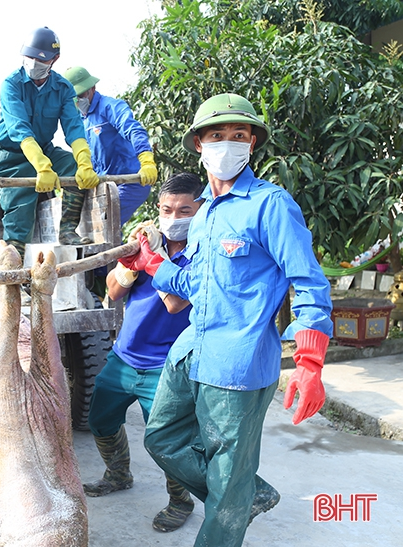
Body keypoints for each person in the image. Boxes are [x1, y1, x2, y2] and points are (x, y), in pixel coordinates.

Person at [123, 93, 333, 546]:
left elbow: (310, 282)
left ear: (252, 144)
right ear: (199, 144)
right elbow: (194, 286)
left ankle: (232, 501)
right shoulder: (202, 216)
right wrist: (153, 263)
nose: (228, 144)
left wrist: (309, 362)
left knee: (225, 484)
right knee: (160, 439)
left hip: (237, 368)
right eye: (217, 136)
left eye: (239, 136)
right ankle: (244, 494)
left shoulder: (270, 205)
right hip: (191, 353)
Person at [84, 173, 203, 534]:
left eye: (184, 209)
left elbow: (175, 304)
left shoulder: (203, 252)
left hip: (166, 366)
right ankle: (118, 474)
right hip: (124, 356)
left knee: (167, 440)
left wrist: (152, 261)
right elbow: (113, 291)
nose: (174, 216)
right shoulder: (144, 241)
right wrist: (129, 267)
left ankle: (180, 500)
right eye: (167, 209)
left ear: (201, 209)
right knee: (100, 421)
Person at [0, 26, 100, 258]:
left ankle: (68, 229)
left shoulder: (63, 88)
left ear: (54, 60)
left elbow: (74, 128)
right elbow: (19, 129)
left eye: (39, 59)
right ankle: (13, 270)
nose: (33, 63)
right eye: (28, 57)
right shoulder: (11, 85)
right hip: (11, 156)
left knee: (72, 166)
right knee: (20, 214)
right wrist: (42, 166)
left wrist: (85, 162)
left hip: (44, 150)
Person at [62, 66, 158, 225]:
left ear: (92, 88)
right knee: (89, 227)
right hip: (103, 184)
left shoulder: (110, 107)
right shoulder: (79, 120)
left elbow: (134, 130)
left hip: (128, 181)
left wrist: (146, 159)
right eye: (74, 97)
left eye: (81, 95)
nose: (78, 100)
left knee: (105, 224)